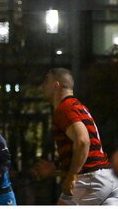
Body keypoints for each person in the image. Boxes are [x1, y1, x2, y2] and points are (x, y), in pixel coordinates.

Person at [34, 68, 118, 204]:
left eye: (46, 81)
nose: (43, 86)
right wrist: (56, 168)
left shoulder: (64, 108)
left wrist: (72, 175)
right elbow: (88, 152)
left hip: (90, 181)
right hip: (108, 179)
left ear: (56, 85)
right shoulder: (78, 107)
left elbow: (83, 142)